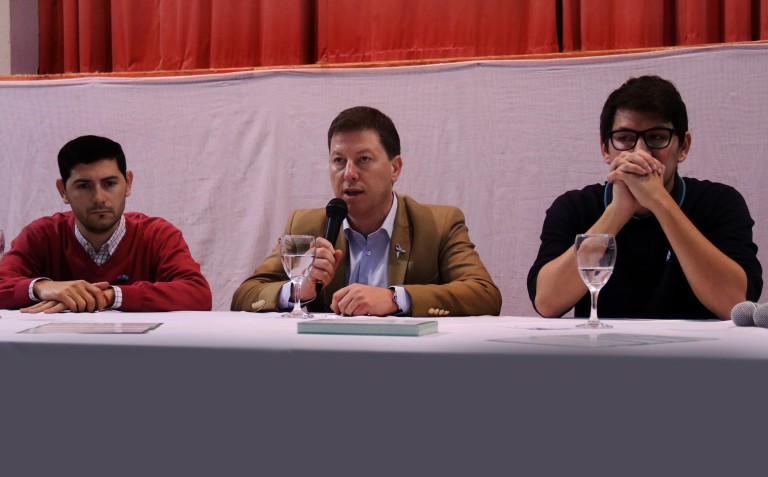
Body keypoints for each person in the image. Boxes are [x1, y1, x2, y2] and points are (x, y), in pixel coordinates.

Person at [528, 75, 762, 320]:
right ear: (605, 149)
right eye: (624, 138)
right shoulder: (574, 207)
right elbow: (547, 302)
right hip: (601, 344)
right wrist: (618, 210)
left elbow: (735, 304)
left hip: (698, 346)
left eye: (657, 137)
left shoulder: (720, 202)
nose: (641, 152)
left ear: (683, 147)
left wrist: (660, 202)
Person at [231, 106, 501, 317]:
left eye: (363, 160)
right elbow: (245, 295)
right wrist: (298, 290)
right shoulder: (305, 225)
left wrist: (395, 299)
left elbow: (484, 294)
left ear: (395, 168)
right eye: (339, 161)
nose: (349, 174)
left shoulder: (438, 225)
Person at [0, 135, 212, 313]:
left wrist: (109, 295)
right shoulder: (41, 235)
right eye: (84, 186)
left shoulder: (158, 235)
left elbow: (198, 294)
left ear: (128, 183)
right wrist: (41, 287)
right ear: (63, 190)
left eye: (109, 183)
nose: (99, 198)